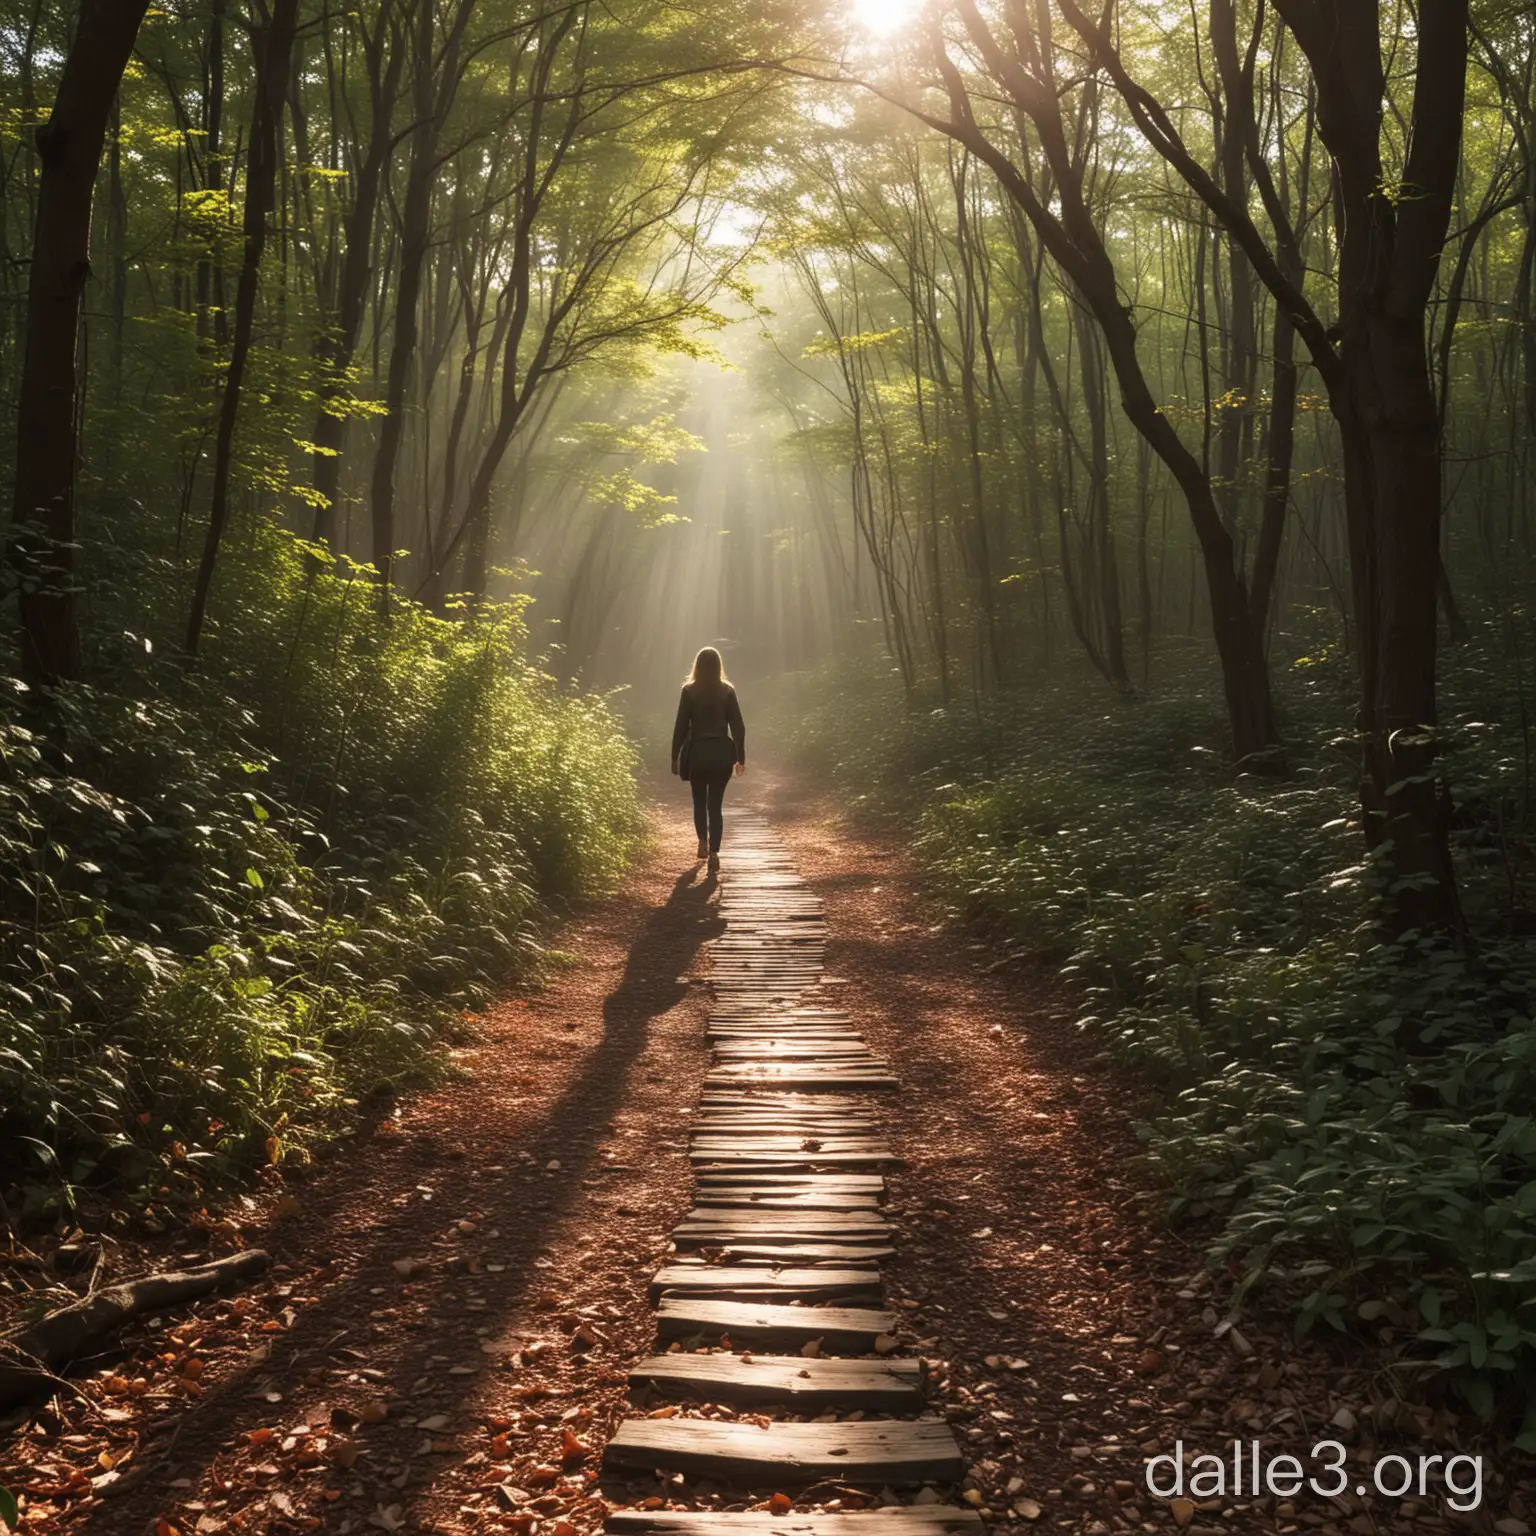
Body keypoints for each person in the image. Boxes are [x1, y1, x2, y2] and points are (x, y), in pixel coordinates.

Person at [671, 646, 745, 872]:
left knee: (699, 801)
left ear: (697, 666)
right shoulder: (728, 691)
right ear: (718, 666)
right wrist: (740, 758)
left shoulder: (689, 691)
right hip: (722, 754)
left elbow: (681, 727)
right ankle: (714, 853)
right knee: (716, 804)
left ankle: (702, 842)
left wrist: (674, 756)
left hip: (698, 755)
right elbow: (738, 727)